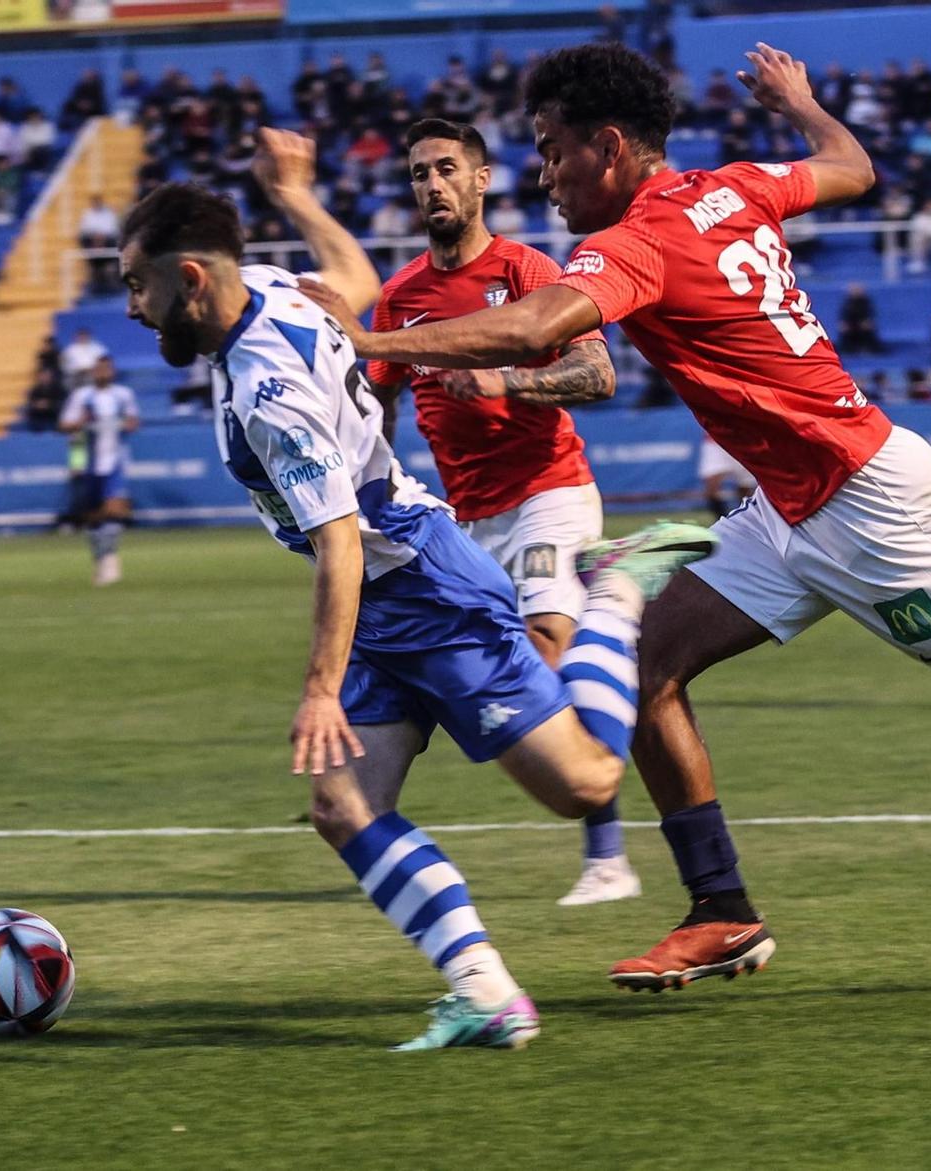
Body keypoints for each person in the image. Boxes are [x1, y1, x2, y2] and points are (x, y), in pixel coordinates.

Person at [301, 42, 931, 989]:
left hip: (872, 502)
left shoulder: (636, 239)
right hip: (783, 508)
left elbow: (538, 326)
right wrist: (800, 102)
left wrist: (373, 336)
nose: (543, 175)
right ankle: (721, 908)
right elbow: (852, 167)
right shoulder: (733, 186)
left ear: (607, 145)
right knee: (639, 668)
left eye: (551, 150)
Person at [119, 130, 718, 1049]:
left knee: (588, 782)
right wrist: (302, 199)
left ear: (192, 279)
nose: (132, 308)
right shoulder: (279, 290)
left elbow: (338, 545)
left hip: (421, 587)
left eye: (138, 285)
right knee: (342, 805)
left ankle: (619, 593)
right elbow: (357, 286)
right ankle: (485, 990)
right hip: (398, 590)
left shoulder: (269, 389)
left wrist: (320, 687)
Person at [365, 117, 641, 908]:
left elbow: (597, 374)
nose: (432, 185)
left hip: (548, 493)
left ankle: (607, 855)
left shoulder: (527, 271)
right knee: (510, 682)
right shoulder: (402, 296)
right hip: (466, 522)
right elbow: (376, 400)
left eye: (447, 168)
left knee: (545, 655)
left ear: (481, 179)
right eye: (419, 173)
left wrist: (505, 381)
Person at [58, 355, 140, 586]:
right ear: (93, 372)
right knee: (93, 516)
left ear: (112, 371)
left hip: (115, 461)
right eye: (98, 369)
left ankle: (111, 559)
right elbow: (65, 425)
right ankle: (101, 559)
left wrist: (127, 424)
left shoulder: (123, 395)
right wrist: (79, 423)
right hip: (87, 462)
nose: (103, 373)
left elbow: (133, 421)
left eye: (106, 368)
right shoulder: (81, 397)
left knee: (113, 510)